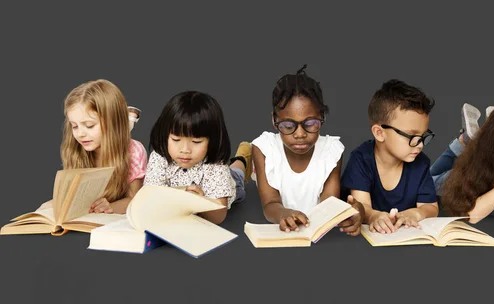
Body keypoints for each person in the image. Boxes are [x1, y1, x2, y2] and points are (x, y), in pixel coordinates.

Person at [252, 65, 363, 235]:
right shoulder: (264, 149)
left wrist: (351, 212)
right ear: (274, 120)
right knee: (237, 178)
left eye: (310, 124)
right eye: (288, 126)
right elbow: (270, 204)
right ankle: (241, 160)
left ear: (322, 118)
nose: (300, 134)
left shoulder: (331, 151)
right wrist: (283, 213)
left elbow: (329, 202)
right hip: (259, 163)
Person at [341, 79, 439, 234]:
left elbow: (431, 207)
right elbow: (360, 205)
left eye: (423, 136)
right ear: (380, 133)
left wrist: (414, 213)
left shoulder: (420, 162)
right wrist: (374, 216)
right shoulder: (361, 159)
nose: (420, 144)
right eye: (412, 135)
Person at [143, 91, 252, 225]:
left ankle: (243, 157)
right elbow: (150, 195)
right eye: (176, 139)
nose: (185, 150)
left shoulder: (216, 166)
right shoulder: (159, 157)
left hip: (229, 184)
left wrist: (202, 204)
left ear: (212, 140)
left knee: (237, 174)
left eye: (196, 142)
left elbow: (219, 216)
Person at [60, 79, 147, 214]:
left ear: (112, 122)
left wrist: (111, 207)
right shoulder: (76, 150)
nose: (80, 134)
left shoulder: (133, 151)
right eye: (74, 126)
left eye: (89, 125)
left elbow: (134, 199)